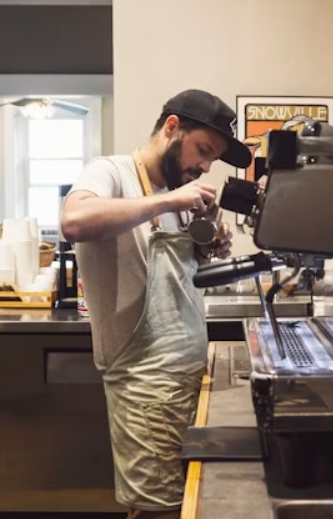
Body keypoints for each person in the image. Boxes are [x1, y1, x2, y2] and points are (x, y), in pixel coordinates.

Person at [60, 89, 251, 519]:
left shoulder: (178, 192)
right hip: (144, 387)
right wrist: (169, 200)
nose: (204, 166)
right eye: (203, 150)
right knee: (157, 510)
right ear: (171, 128)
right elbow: (73, 221)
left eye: (212, 159)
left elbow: (168, 273)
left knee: (186, 503)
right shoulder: (111, 172)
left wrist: (209, 247)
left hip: (187, 378)